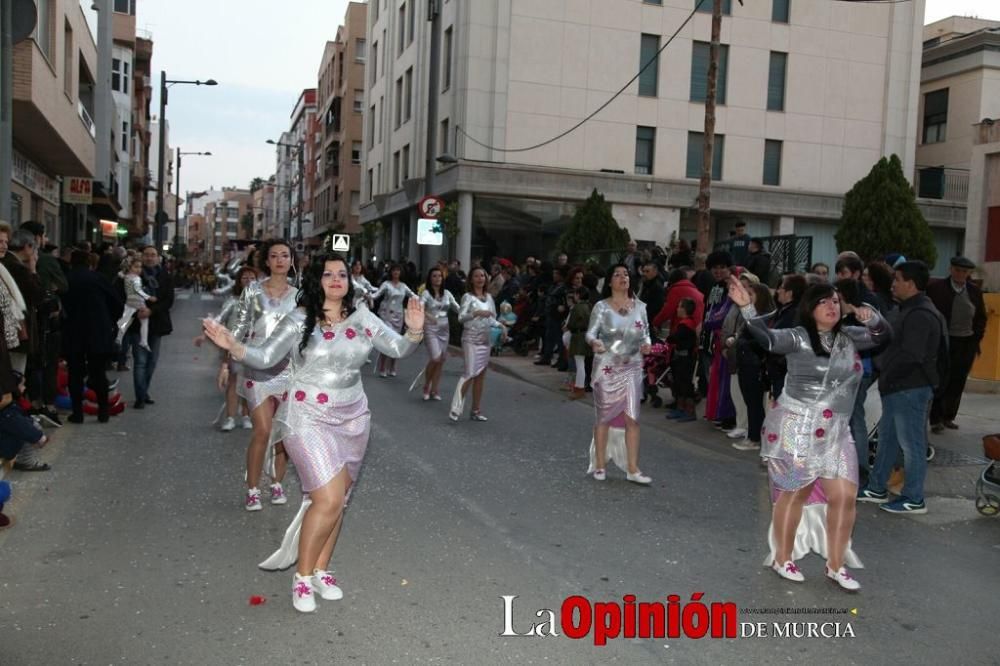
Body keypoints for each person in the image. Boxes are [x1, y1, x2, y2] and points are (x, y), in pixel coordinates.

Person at [202, 252, 425, 613]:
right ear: (316, 280)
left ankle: (321, 569)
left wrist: (414, 330)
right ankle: (302, 577)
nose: (336, 280)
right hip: (306, 416)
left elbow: (397, 348)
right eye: (328, 274)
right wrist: (234, 346)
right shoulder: (299, 318)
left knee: (339, 501)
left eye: (342, 274)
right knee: (327, 499)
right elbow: (264, 356)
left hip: (353, 417)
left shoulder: (363, 317)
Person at [730, 278, 889, 591]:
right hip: (794, 428)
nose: (832, 306)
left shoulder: (850, 338)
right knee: (793, 492)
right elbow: (768, 340)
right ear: (810, 308)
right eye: (823, 302)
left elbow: (883, 336)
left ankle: (836, 564)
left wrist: (875, 318)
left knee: (844, 496)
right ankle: (782, 557)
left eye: (835, 301)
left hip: (836, 431)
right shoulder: (798, 337)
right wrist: (747, 308)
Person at [859, 261, 944, 515]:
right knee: (888, 440)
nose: (893, 283)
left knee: (912, 445)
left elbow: (911, 355)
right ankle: (876, 487)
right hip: (898, 387)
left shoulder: (921, 314)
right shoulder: (908, 309)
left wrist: (887, 372)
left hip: (910, 388)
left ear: (911, 283)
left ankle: (914, 498)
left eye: (897, 279)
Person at [230, 240, 298, 511]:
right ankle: (253, 488)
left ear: (292, 260)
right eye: (274, 256)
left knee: (283, 434)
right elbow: (239, 326)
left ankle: (277, 482)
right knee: (263, 430)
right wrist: (229, 359)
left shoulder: (301, 294)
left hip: (289, 371)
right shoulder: (252, 291)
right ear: (266, 261)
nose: (280, 260)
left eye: (285, 255)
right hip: (256, 369)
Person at [585, 264, 653, 485]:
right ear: (610, 281)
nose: (622, 277)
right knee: (603, 417)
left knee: (632, 418)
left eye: (626, 274)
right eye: (617, 274)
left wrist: (647, 346)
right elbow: (590, 333)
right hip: (607, 367)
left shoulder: (640, 307)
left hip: (632, 367)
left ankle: (632, 469)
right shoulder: (601, 307)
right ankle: (600, 465)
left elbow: (646, 335)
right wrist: (594, 342)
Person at [926, 256, 987, 433]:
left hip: (966, 342)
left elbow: (981, 317)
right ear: (951, 270)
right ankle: (935, 419)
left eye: (964, 272)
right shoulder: (936, 289)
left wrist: (976, 338)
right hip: (944, 341)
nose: (961, 274)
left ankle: (948, 416)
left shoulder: (974, 292)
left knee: (958, 381)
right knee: (941, 379)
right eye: (958, 270)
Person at [62, 250, 123, 423]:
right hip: (98, 331)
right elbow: (117, 303)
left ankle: (77, 413)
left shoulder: (67, 279)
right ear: (90, 263)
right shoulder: (98, 279)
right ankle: (103, 411)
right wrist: (109, 320)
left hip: (73, 331)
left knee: (75, 373)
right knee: (98, 372)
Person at [127, 246, 174, 410]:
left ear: (158, 258)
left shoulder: (164, 275)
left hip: (157, 322)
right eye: (146, 255)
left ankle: (143, 391)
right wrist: (138, 310)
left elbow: (168, 300)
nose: (149, 258)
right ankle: (140, 397)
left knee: (152, 361)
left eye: (153, 255)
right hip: (137, 322)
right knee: (140, 361)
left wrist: (151, 311)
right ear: (141, 256)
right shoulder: (134, 274)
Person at [449, 266, 497, 422]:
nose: (480, 278)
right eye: (476, 276)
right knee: (469, 373)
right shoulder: (467, 297)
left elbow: (492, 318)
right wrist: (476, 313)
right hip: (470, 339)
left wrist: (501, 327)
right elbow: (461, 318)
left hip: (485, 339)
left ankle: (475, 410)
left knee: (481, 376)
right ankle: (456, 408)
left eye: (482, 275)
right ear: (471, 279)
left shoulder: (489, 297)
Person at [211, 266, 257, 432]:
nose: (249, 281)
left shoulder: (263, 302)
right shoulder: (232, 301)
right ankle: (230, 417)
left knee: (249, 384)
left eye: (252, 278)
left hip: (255, 348)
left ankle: (246, 415)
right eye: (245, 278)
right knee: (234, 382)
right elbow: (219, 320)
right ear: (239, 281)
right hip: (234, 346)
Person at [417, 266, 460, 401]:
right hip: (430, 328)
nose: (437, 279)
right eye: (434, 276)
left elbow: (457, 307)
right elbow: (419, 308)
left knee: (441, 360)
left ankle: (435, 389)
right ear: (430, 279)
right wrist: (428, 315)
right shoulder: (426, 294)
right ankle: (426, 385)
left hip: (444, 328)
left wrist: (469, 314)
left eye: (440, 276)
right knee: (435, 358)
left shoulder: (447, 293)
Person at [371, 264, 416, 378]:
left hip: (399, 316)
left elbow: (413, 295)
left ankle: (392, 366)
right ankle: (382, 366)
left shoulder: (404, 286)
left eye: (398, 271)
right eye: (394, 271)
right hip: (386, 315)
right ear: (391, 272)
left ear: (401, 273)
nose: (396, 273)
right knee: (387, 341)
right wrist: (368, 296)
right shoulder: (386, 284)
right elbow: (376, 295)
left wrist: (423, 299)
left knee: (396, 341)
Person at [665, 298, 699, 422]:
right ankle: (681, 408)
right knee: (679, 384)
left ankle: (689, 411)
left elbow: (674, 338)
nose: (677, 309)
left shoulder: (686, 325)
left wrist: (671, 339)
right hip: (681, 357)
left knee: (685, 385)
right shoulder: (685, 323)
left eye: (679, 306)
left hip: (686, 359)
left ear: (685, 309)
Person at [118, 258, 157, 351]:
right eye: (136, 267)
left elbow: (121, 275)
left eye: (140, 267)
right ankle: (144, 341)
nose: (139, 269)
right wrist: (149, 297)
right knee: (144, 320)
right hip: (138, 301)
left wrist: (120, 273)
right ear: (130, 267)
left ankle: (119, 338)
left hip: (129, 301)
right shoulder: (136, 278)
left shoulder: (126, 276)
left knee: (126, 320)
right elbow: (138, 290)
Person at [565, 286, 592, 400]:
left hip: (578, 336)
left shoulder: (577, 307)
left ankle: (579, 388)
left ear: (578, 295)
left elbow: (571, 324)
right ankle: (581, 387)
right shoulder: (590, 306)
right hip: (587, 335)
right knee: (583, 363)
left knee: (579, 364)